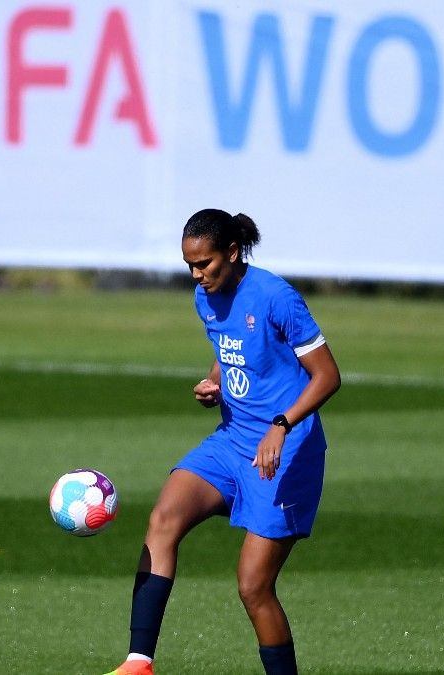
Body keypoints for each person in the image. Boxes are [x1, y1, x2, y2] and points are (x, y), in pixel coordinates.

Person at [105, 209, 341, 675]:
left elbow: (328, 376)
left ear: (232, 253)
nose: (197, 275)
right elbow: (227, 352)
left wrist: (281, 424)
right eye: (190, 266)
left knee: (253, 587)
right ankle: (139, 662)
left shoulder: (276, 296)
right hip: (231, 441)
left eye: (205, 264)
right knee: (164, 517)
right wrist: (216, 382)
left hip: (284, 451)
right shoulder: (204, 298)